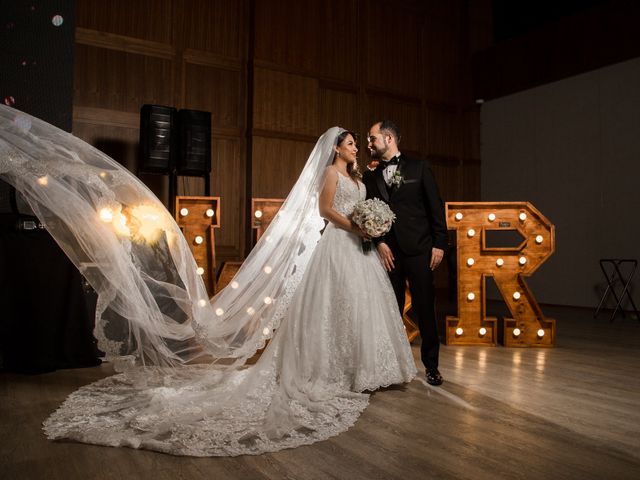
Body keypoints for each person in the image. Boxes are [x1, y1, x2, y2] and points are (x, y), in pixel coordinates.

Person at [0, 116, 416, 456]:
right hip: (339, 244)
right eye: (349, 142)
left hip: (359, 249)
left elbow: (363, 203)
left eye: (356, 143)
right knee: (333, 305)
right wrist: (357, 225)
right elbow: (326, 209)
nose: (355, 146)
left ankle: (368, 367)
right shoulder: (329, 173)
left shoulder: (362, 178)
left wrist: (370, 228)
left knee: (361, 305)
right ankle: (333, 369)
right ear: (335, 148)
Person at [363, 120, 448, 386]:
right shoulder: (371, 175)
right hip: (388, 253)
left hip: (421, 250)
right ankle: (393, 368)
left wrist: (439, 244)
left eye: (372, 138)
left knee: (425, 308)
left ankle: (432, 366)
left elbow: (436, 206)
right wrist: (380, 242)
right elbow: (367, 211)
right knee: (391, 309)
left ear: (388, 139)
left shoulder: (419, 167)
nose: (369, 143)